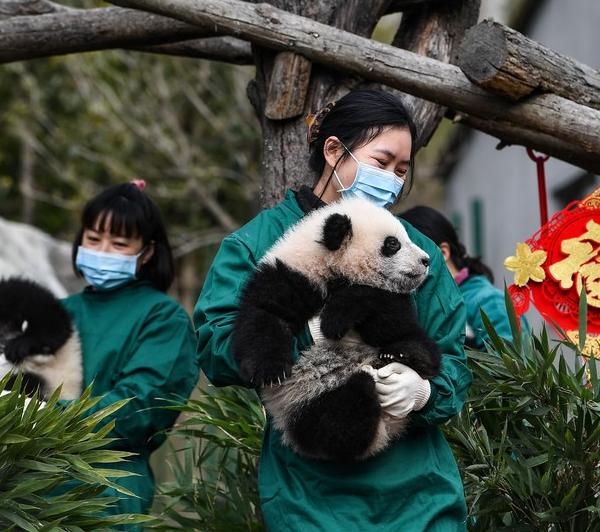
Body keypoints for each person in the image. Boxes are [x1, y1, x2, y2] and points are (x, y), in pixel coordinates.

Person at [195, 90, 472, 530]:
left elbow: (453, 356)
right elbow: (214, 347)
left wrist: (424, 392)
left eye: (402, 170)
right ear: (333, 151)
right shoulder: (258, 242)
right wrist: (296, 334)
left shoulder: (413, 249)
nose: (393, 181)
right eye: (381, 163)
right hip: (311, 492)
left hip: (417, 492)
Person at [61, 181, 199, 520]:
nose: (102, 251)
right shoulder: (56, 310)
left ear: (147, 252)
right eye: (93, 239)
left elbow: (139, 410)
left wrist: (44, 415)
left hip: (104, 492)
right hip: (28, 485)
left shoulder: (162, 318)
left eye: (119, 243)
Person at [400, 205, 528, 350]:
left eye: (415, 253)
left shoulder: (489, 302)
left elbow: (514, 367)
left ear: (443, 253)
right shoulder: (425, 304)